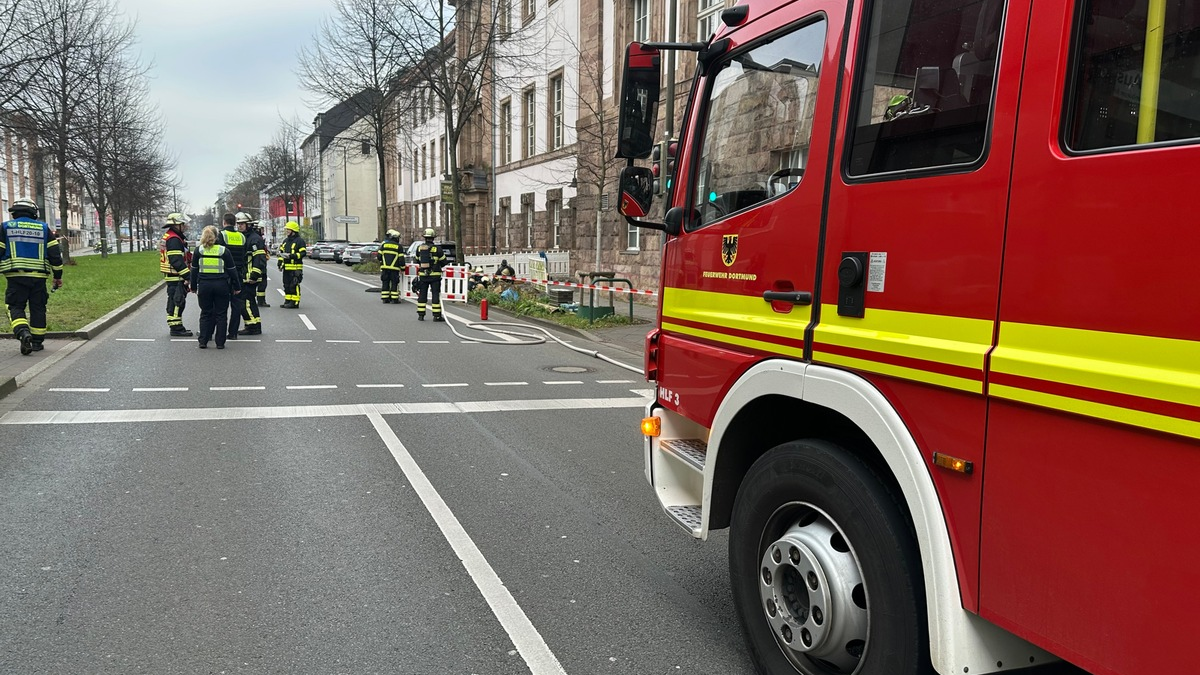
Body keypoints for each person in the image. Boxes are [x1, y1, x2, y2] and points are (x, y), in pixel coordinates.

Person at [1, 198, 63, 355]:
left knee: (14, 306)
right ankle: (36, 342)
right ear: (33, 213)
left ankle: (23, 333)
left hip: (15, 276)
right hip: (39, 277)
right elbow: (55, 254)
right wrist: (57, 276)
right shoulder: (43, 228)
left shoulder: (5, 227)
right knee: (38, 307)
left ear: (14, 213)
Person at [189, 225, 242, 349]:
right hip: (221, 285)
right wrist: (237, 286)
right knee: (221, 314)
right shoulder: (223, 251)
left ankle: (203, 341)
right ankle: (220, 342)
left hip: (204, 285)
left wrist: (193, 286)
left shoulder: (198, 250)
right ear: (216, 237)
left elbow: (194, 270)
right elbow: (232, 270)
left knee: (205, 313)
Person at [158, 212, 193, 337]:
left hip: (173, 275)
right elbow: (176, 261)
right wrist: (188, 276)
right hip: (176, 276)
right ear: (177, 225)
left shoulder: (171, 236)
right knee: (178, 301)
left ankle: (177, 326)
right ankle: (176, 327)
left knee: (174, 300)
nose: (184, 226)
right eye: (182, 224)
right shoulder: (173, 239)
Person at [220, 213, 250, 339]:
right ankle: (233, 333)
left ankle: (217, 331)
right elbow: (244, 255)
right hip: (238, 274)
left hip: (224, 274)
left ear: (224, 222)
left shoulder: (221, 235)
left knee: (220, 306)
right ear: (234, 223)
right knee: (236, 305)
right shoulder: (242, 237)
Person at [235, 212, 264, 335]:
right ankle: (252, 324)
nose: (240, 226)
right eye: (238, 224)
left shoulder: (254, 239)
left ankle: (253, 327)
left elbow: (260, 259)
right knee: (249, 302)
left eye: (242, 224)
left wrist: (254, 275)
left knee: (246, 302)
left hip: (250, 277)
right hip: (244, 276)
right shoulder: (244, 237)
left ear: (248, 225)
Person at [413, 227, 447, 321]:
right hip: (435, 276)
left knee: (422, 295)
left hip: (423, 276)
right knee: (435, 295)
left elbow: (416, 260)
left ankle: (421, 315)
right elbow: (444, 262)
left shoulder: (419, 248)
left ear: (424, 237)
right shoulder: (438, 249)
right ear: (433, 238)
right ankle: (436, 316)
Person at [278, 221, 306, 308]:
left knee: (294, 285)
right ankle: (288, 301)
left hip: (296, 268)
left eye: (288, 230)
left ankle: (295, 302)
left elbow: (303, 253)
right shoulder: (285, 241)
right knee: (286, 285)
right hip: (286, 268)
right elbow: (281, 252)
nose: (287, 231)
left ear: (293, 230)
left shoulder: (300, 241)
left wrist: (292, 256)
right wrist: (279, 262)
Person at [378, 229, 404, 304]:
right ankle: (394, 299)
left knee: (385, 283)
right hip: (394, 269)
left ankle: (385, 298)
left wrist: (382, 262)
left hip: (385, 268)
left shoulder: (384, 245)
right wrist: (403, 268)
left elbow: (379, 256)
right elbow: (401, 259)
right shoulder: (399, 247)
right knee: (394, 283)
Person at [250, 219, 270, 307]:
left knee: (261, 283)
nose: (263, 231)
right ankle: (261, 301)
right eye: (261, 229)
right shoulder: (257, 239)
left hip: (257, 264)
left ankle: (259, 300)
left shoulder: (255, 238)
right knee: (262, 283)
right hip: (259, 265)